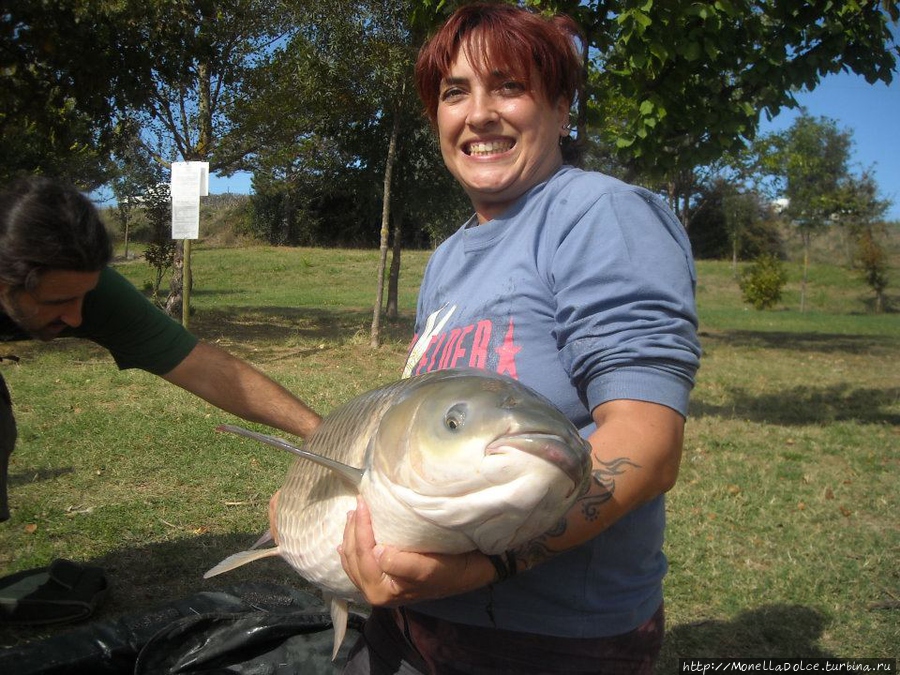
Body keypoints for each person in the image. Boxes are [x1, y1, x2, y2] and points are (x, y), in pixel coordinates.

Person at [338, 4, 702, 674]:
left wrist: (486, 564)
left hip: (548, 642)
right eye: (454, 93)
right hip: (415, 621)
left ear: (562, 108)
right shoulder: (449, 255)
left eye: (508, 86)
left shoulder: (600, 216)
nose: (477, 114)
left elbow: (648, 445)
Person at [0, 175, 321, 523]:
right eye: (60, 301)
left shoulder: (88, 288)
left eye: (84, 296)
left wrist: (325, 434)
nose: (77, 317)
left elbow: (205, 368)